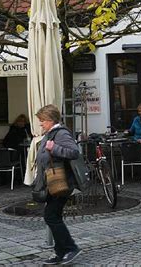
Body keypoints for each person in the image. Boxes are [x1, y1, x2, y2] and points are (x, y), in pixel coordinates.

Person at [35, 104, 82, 265]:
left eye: (42, 120)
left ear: (51, 119)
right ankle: (61, 252)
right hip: (51, 182)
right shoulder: (50, 133)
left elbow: (74, 152)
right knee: (53, 216)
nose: (40, 123)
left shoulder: (60, 133)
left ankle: (71, 248)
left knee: (51, 216)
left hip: (61, 182)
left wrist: (54, 148)